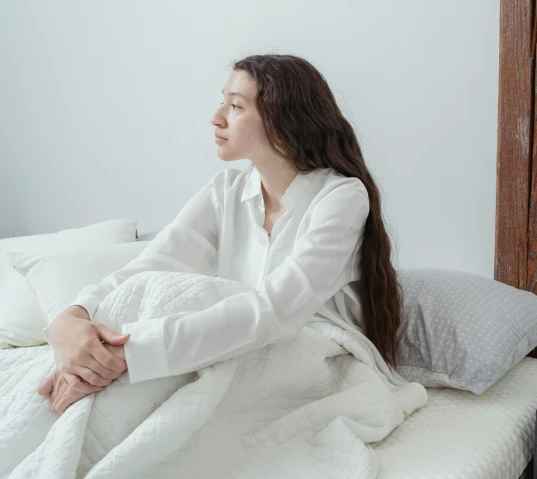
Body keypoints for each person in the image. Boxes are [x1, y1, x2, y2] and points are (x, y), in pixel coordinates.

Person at [37, 54, 403, 414]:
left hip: (316, 354)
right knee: (149, 292)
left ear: (283, 119)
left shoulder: (341, 197)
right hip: (232, 345)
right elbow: (151, 267)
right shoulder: (225, 190)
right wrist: (73, 317)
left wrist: (129, 354)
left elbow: (277, 311)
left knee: (154, 346)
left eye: (235, 106)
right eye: (222, 102)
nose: (216, 118)